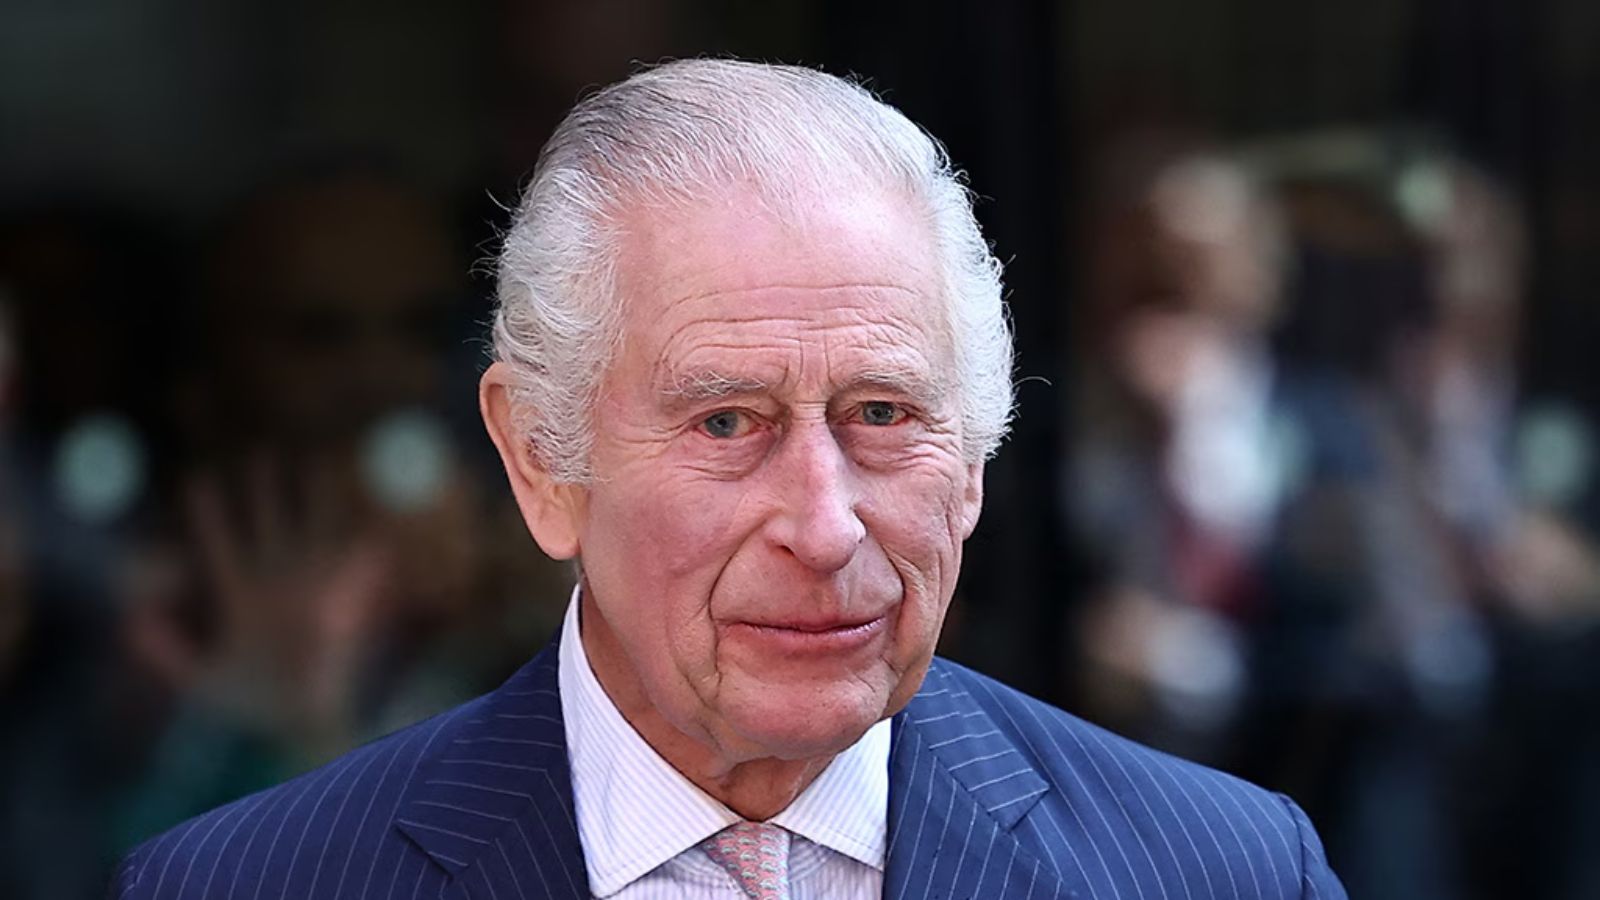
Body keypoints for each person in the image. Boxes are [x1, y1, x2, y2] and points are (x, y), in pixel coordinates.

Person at [111, 59, 1345, 899]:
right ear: (540, 459)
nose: (822, 523)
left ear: (972, 459)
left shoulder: (1220, 871)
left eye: (881, 413)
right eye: (724, 422)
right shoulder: (247, 883)